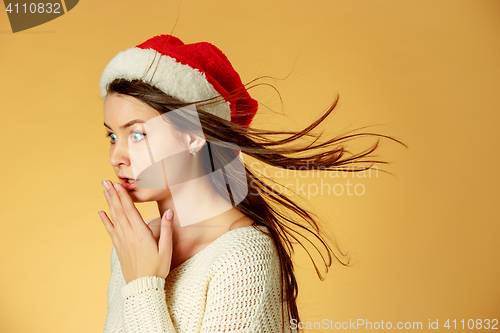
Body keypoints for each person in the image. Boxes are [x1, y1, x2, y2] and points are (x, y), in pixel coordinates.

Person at [97, 34, 405, 333]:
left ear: (193, 135)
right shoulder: (134, 244)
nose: (116, 156)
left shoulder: (243, 258)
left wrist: (142, 288)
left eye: (137, 134)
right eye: (112, 136)